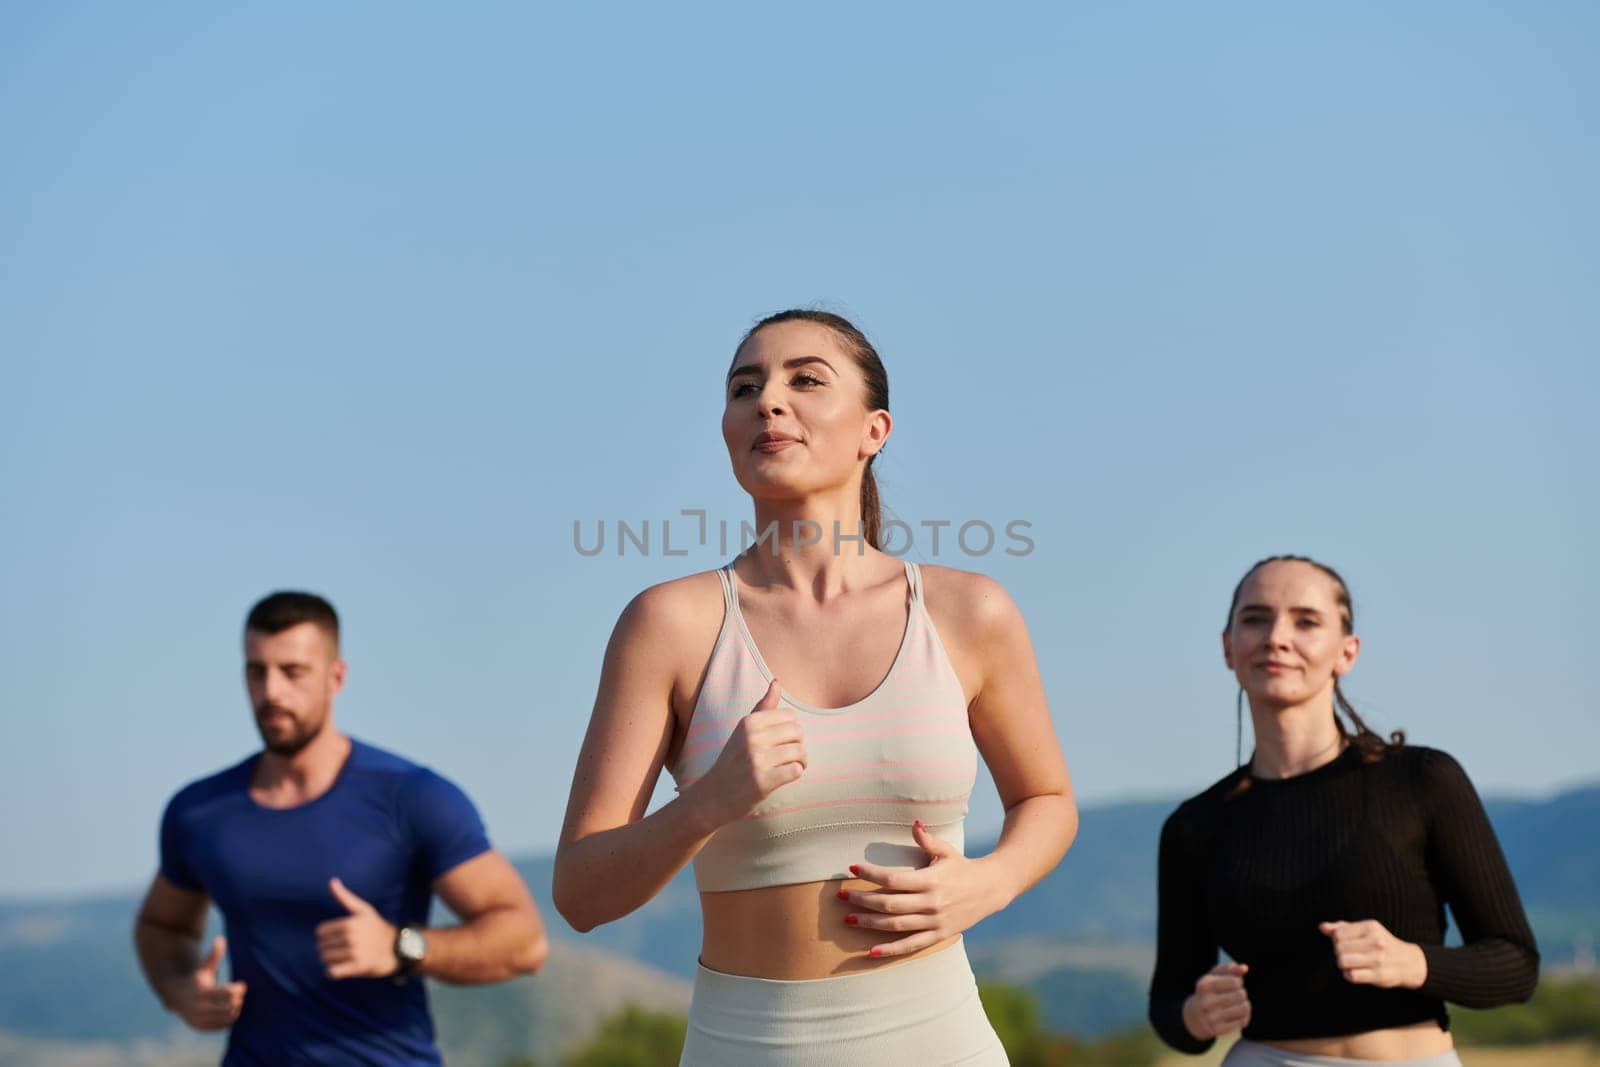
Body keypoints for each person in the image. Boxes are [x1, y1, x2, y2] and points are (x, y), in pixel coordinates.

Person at [554, 309, 1077, 1064]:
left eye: (805, 380)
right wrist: (706, 803)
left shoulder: (969, 612)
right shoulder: (668, 625)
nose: (768, 400)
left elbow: (1048, 800)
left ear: (875, 430)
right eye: (745, 387)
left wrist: (990, 882)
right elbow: (579, 893)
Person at [1148, 556, 1539, 1066]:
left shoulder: (1422, 781)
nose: (1276, 637)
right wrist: (1197, 1016)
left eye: (1306, 621)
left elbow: (1515, 964)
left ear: (1346, 652)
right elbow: (1168, 1005)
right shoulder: (1194, 826)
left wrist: (1413, 962)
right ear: (1228, 647)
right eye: (1255, 619)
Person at [134, 591, 547, 1065]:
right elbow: (161, 925)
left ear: (336, 678)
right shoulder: (201, 811)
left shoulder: (411, 797)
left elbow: (524, 941)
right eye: (256, 671)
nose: (271, 693)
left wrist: (400, 946)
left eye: (293, 672)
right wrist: (180, 991)